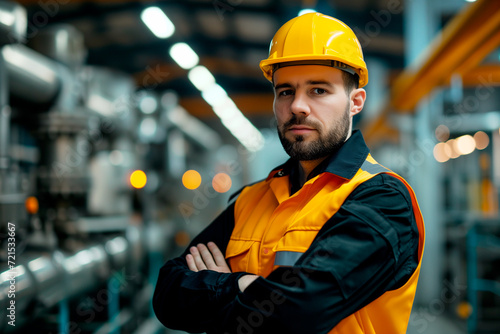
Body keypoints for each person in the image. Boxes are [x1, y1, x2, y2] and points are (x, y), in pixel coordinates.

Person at [153, 12, 425, 334]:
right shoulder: (250, 200)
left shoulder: (382, 201)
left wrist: (222, 285)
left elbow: (298, 313)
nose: (298, 106)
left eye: (318, 90)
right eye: (285, 91)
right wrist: (245, 286)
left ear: (356, 102)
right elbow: (168, 295)